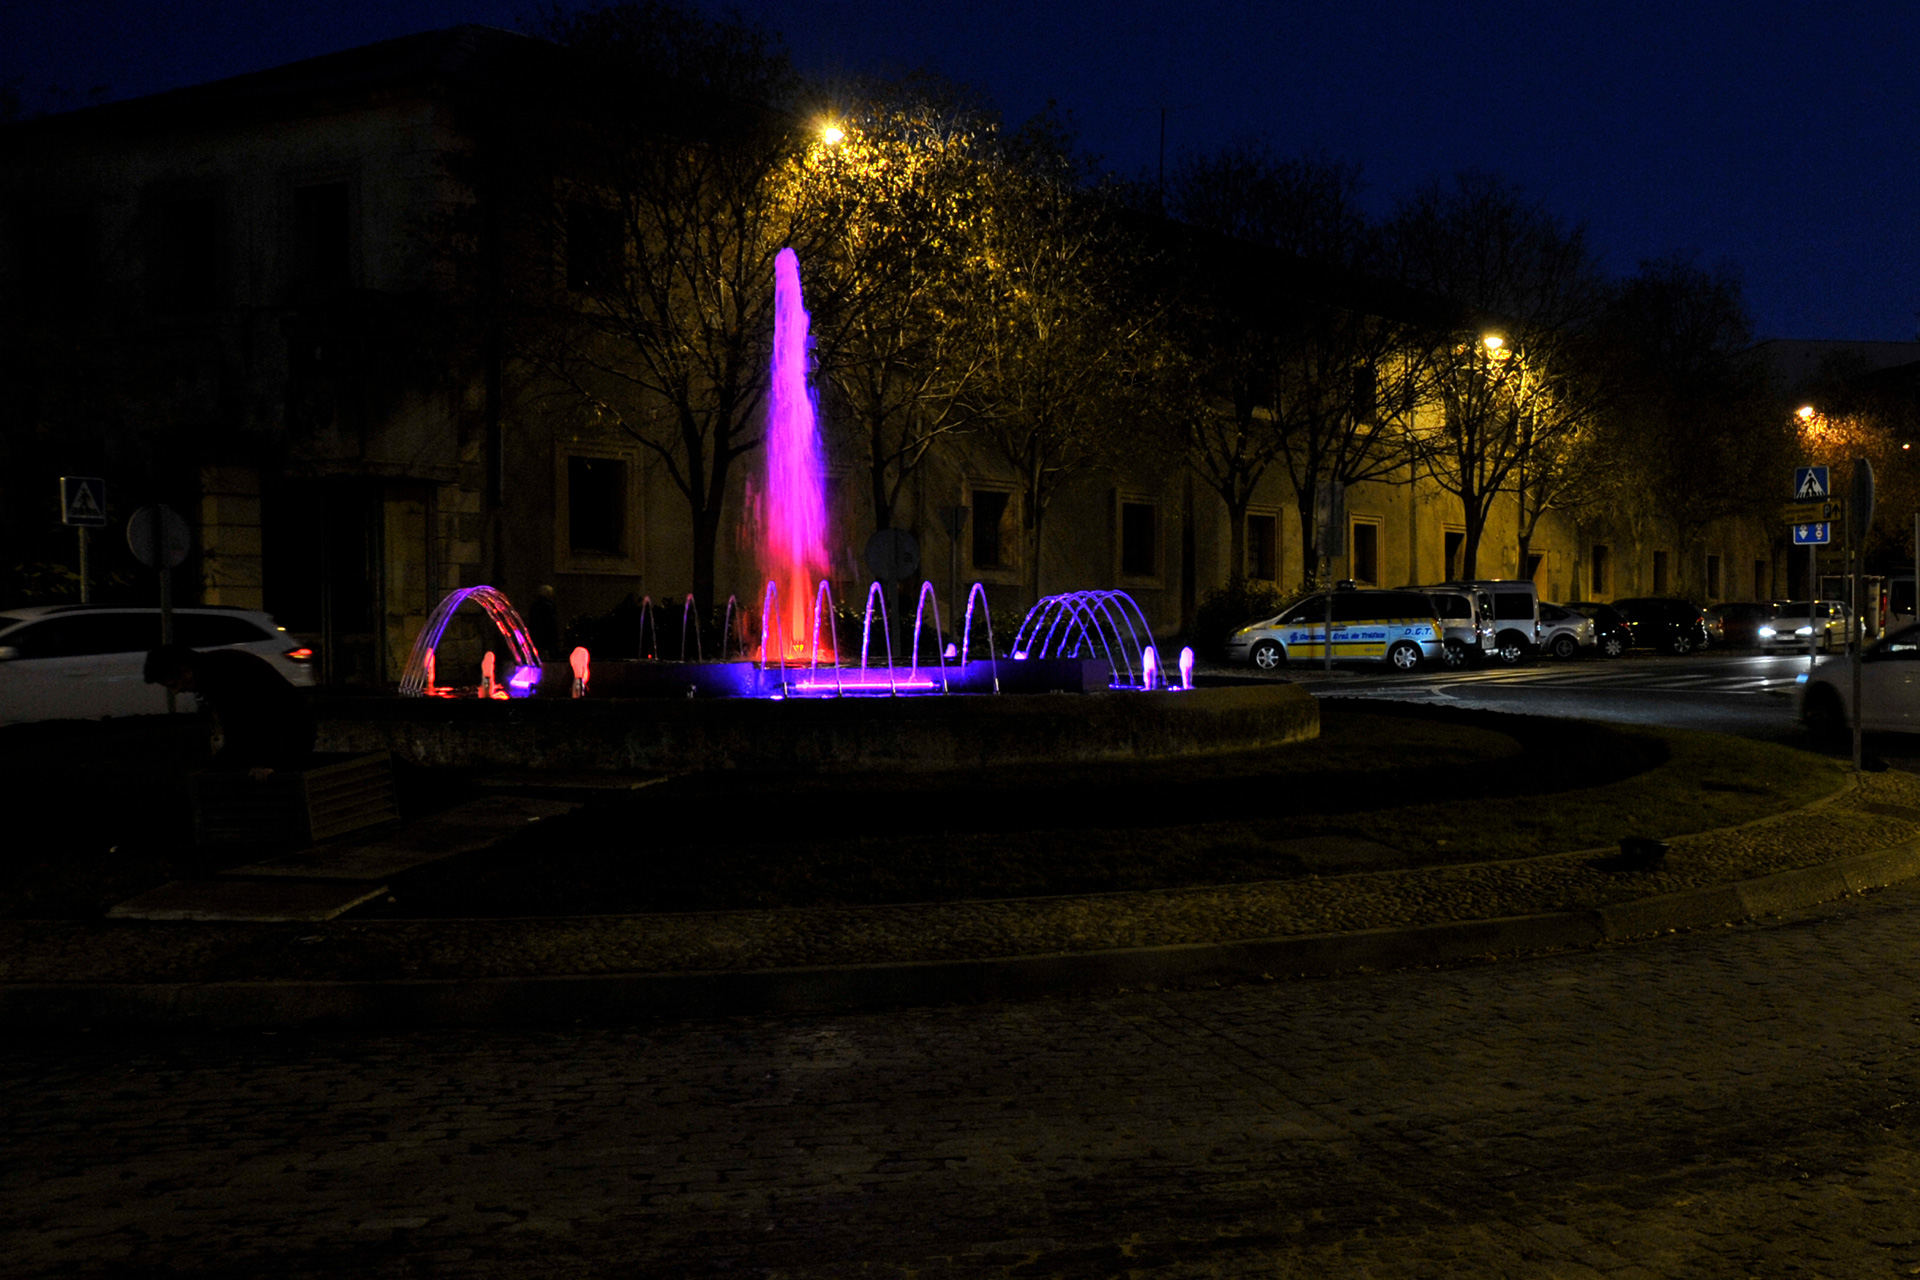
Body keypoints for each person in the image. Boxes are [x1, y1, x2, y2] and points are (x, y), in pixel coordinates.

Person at [144, 645, 316, 781]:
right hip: (287, 732)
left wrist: (266, 762)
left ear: (186, 672)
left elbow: (260, 717)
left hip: (290, 734)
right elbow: (238, 728)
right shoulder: (218, 668)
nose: (179, 691)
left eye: (175, 684)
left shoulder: (223, 675)